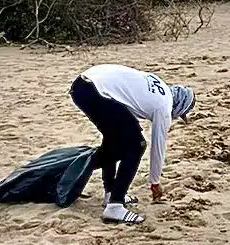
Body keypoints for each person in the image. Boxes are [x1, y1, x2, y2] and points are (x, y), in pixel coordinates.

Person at [69, 63, 196, 225]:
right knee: (137, 145)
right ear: (180, 106)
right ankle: (115, 206)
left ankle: (110, 193)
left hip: (83, 85)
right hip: (96, 91)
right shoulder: (163, 107)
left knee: (114, 138)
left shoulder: (159, 86)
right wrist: (155, 182)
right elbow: (158, 147)